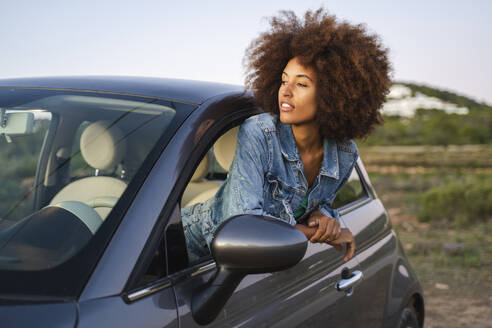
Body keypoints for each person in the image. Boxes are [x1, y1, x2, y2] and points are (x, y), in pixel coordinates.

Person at [181, 8, 391, 263]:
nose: (286, 92)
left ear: (334, 95)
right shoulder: (259, 133)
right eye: (283, 81)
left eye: (301, 84)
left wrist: (323, 217)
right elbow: (243, 221)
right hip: (191, 244)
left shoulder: (345, 153)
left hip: (244, 260)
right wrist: (323, 234)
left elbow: (316, 203)